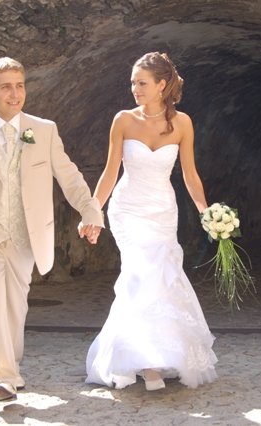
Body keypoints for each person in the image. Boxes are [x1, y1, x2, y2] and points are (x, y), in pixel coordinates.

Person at [0, 57, 104, 401]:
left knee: (16, 305)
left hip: (27, 235)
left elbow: (69, 177)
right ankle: (4, 377)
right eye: (6, 87)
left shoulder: (44, 130)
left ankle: (11, 366)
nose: (14, 94)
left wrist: (90, 211)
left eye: (19, 86)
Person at [85, 52, 218, 391]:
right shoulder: (123, 120)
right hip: (127, 210)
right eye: (133, 82)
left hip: (162, 212)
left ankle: (155, 356)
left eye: (142, 83)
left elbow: (190, 175)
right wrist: (93, 211)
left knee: (160, 281)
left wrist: (206, 212)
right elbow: (110, 172)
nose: (135, 89)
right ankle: (144, 363)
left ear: (162, 85)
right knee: (137, 276)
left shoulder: (183, 123)